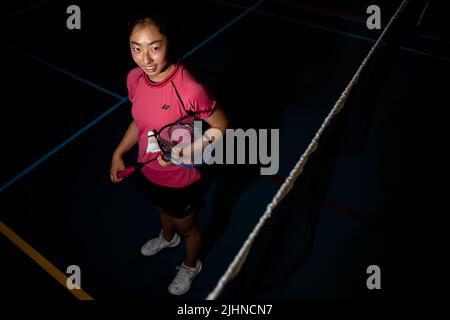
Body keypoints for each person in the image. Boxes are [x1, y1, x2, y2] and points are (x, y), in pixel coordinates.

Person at [110, 14, 228, 295]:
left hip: (180, 177)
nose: (145, 59)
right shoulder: (135, 78)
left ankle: (191, 265)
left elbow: (221, 126)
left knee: (188, 228)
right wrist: (119, 152)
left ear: (168, 43)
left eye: (154, 47)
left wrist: (182, 151)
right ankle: (167, 237)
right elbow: (140, 118)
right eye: (136, 48)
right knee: (162, 210)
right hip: (147, 169)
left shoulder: (188, 89)